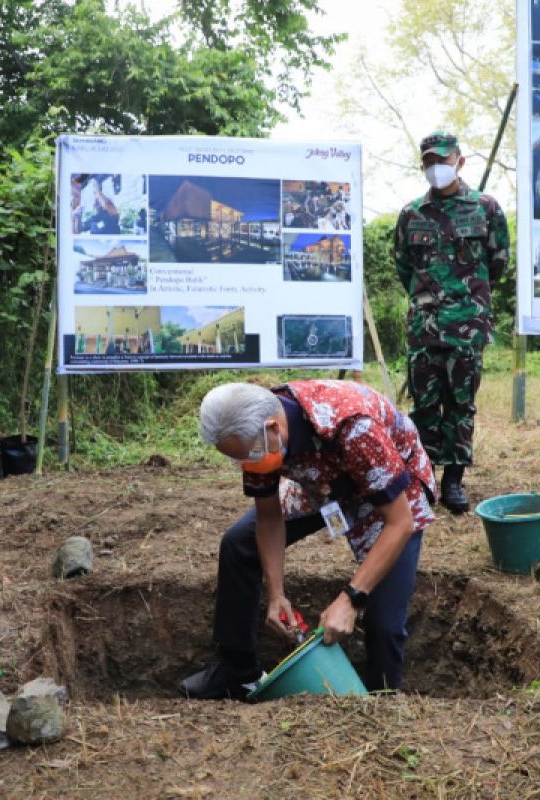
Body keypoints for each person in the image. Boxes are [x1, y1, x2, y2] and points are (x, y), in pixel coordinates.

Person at [180, 380, 436, 700]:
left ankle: (382, 700)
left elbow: (400, 523)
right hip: (322, 481)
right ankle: (237, 670)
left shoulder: (353, 427)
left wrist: (350, 600)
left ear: (274, 428)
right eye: (238, 461)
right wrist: (276, 593)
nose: (247, 467)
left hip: (391, 491)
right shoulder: (257, 440)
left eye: (248, 458)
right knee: (238, 543)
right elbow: (269, 516)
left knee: (384, 620)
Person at [392, 131, 509, 513]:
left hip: (467, 324)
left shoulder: (485, 209)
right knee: (424, 404)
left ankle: (454, 480)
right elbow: (403, 266)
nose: (435, 168)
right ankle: (424, 477)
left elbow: (498, 263)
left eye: (442, 160)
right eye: (429, 162)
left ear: (459, 160)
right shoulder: (412, 214)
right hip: (425, 326)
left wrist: (468, 298)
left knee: (460, 403)